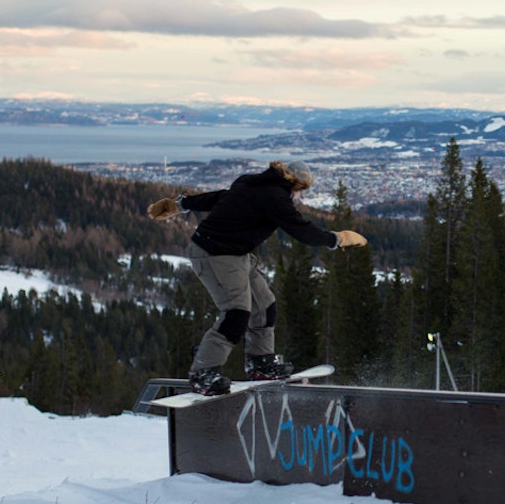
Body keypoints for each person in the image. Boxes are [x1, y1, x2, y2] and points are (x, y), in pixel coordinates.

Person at [148, 160, 368, 395]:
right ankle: (203, 372)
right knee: (236, 313)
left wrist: (180, 204)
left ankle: (260, 362)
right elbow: (301, 230)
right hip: (214, 254)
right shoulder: (275, 197)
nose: (299, 196)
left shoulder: (252, 183)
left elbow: (220, 197)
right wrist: (337, 239)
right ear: (295, 184)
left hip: (236, 253)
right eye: (300, 191)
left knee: (264, 306)